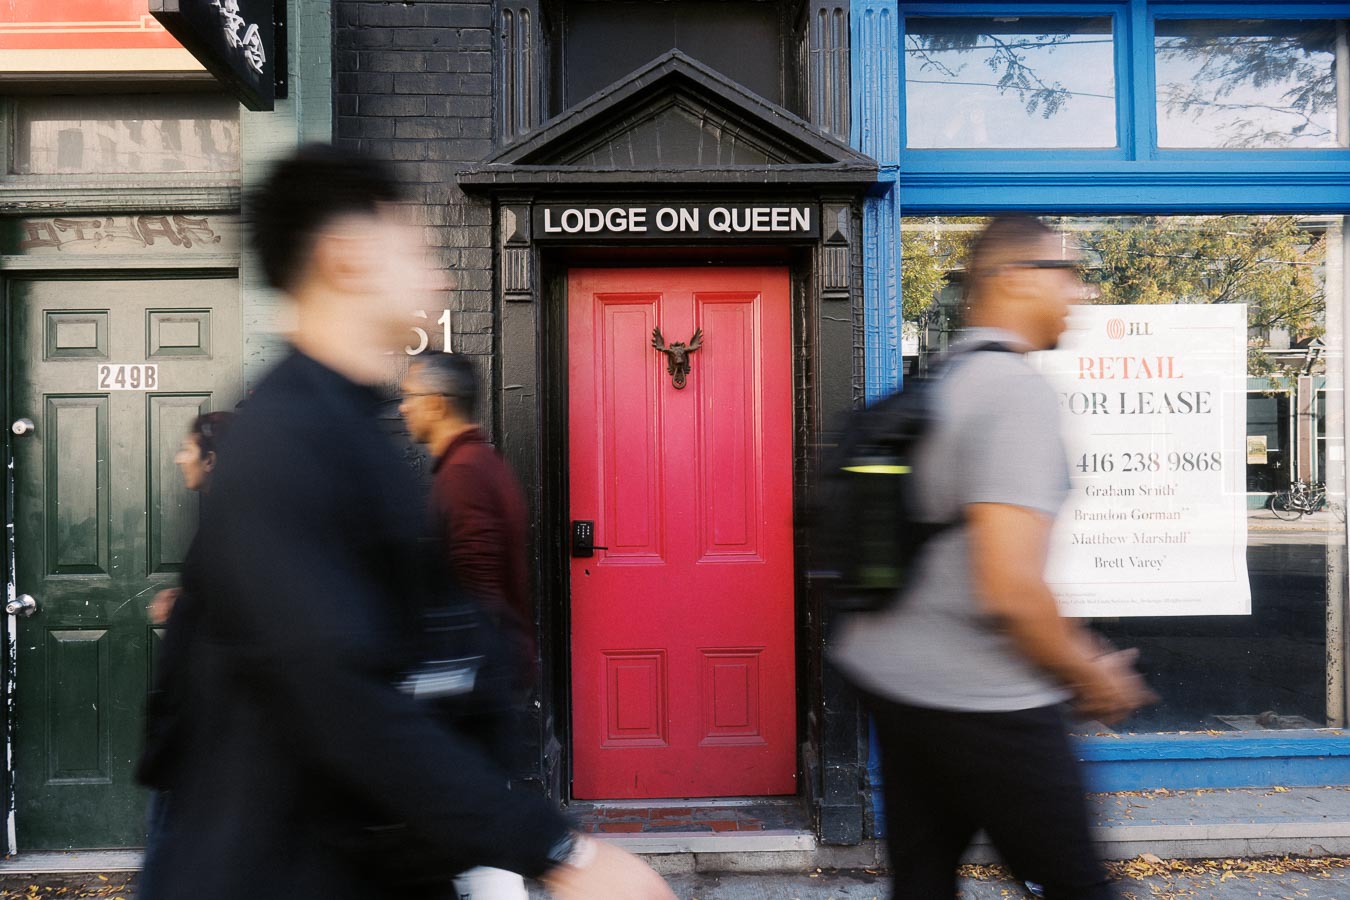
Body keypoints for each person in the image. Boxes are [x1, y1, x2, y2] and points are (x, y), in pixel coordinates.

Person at [138, 143, 674, 900]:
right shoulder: (286, 443)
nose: (441, 271)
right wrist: (559, 853)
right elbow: (343, 701)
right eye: (418, 246)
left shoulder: (351, 433)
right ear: (346, 258)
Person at [829, 216, 1155, 899]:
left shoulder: (948, 380)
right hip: (984, 696)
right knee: (1080, 886)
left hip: (895, 675)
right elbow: (1009, 588)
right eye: (1066, 272)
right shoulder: (1014, 393)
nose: (1081, 293)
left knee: (922, 881)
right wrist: (1090, 673)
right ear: (1012, 278)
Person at [399, 355, 532, 900]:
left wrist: (452, 683)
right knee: (478, 837)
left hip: (472, 687)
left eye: (408, 396)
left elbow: (478, 590)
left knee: (478, 839)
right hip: (484, 680)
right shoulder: (479, 465)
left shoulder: (463, 476)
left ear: (436, 403)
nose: (403, 407)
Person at [138, 411, 234, 898]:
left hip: (199, 732)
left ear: (212, 459)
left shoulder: (235, 528)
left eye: (187, 448)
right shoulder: (227, 522)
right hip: (194, 729)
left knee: (170, 857)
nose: (179, 457)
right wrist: (187, 605)